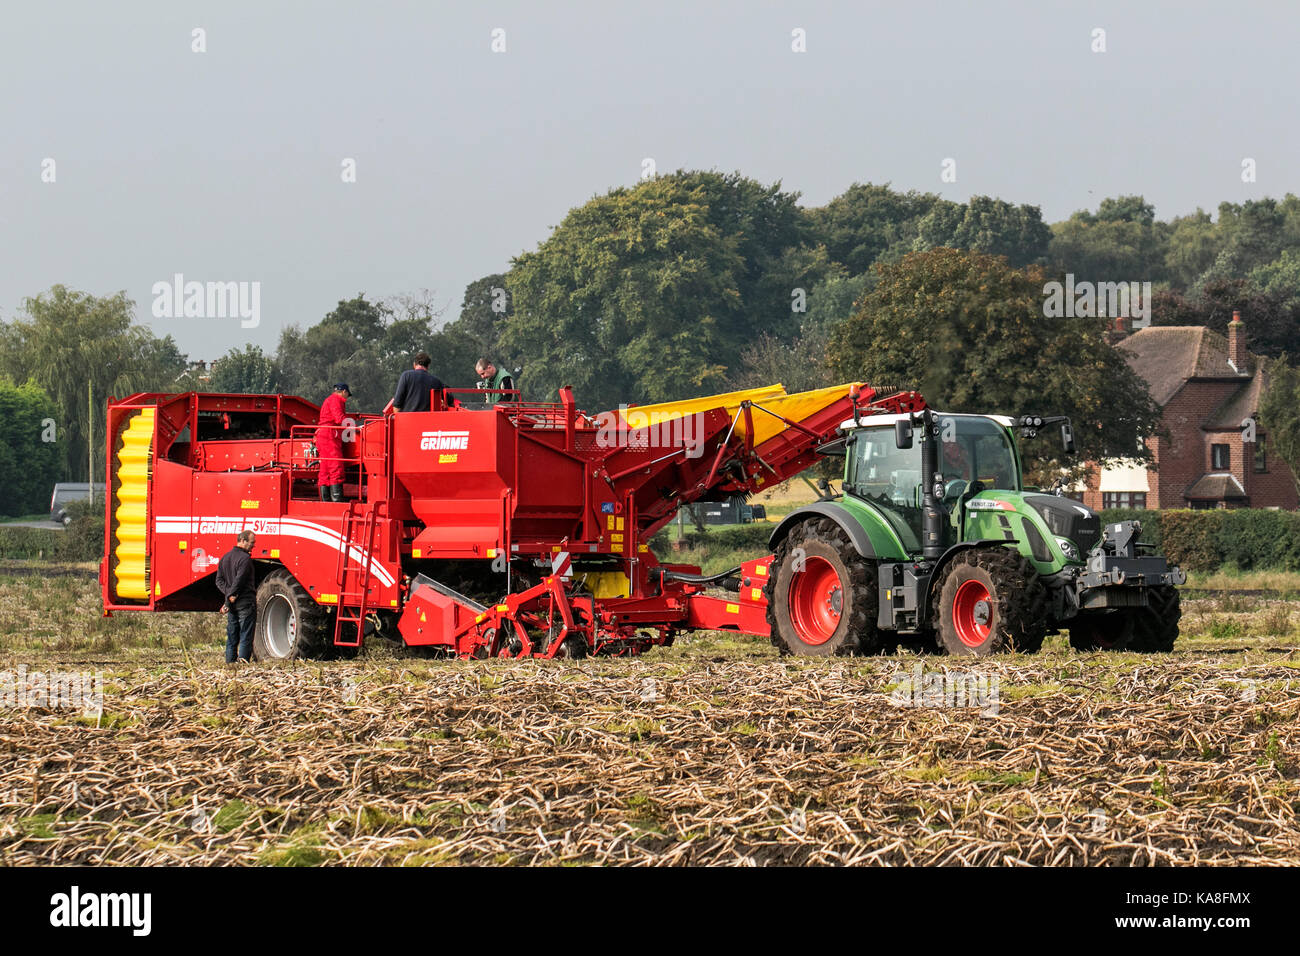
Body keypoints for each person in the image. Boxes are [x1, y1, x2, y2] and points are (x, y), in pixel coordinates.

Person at [216, 530, 257, 662]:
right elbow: (239, 582)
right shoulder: (245, 559)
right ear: (243, 541)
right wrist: (230, 596)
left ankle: (230, 663)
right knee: (246, 635)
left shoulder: (225, 558)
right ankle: (243, 664)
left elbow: (219, 581)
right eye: (252, 542)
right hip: (245, 602)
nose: (254, 545)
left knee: (232, 636)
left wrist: (228, 596)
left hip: (233, 604)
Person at [316, 383, 350, 501]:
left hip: (323, 435)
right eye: (347, 395)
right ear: (344, 391)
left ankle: (325, 502)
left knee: (325, 469)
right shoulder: (337, 400)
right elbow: (339, 417)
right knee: (336, 466)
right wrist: (353, 426)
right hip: (330, 435)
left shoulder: (329, 400)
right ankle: (337, 502)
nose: (347, 398)